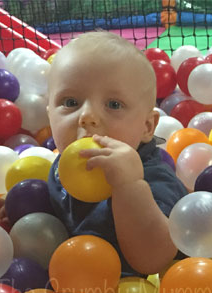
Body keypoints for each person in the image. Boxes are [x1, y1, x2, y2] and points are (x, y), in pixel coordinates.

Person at [45, 31, 188, 276]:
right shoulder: (63, 165)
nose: (87, 116)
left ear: (147, 126)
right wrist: (26, 205)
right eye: (70, 102)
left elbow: (153, 260)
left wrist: (129, 186)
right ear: (49, 114)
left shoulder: (153, 180)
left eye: (113, 104)